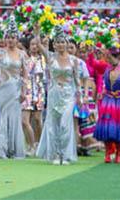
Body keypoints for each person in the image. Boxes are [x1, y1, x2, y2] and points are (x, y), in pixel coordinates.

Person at [36, 33, 79, 165]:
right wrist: (37, 31)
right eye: (58, 42)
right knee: (53, 125)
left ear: (67, 44)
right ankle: (55, 154)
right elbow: (38, 45)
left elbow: (76, 80)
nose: (61, 44)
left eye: (63, 42)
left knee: (65, 124)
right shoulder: (51, 57)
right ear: (54, 44)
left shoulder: (73, 60)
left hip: (68, 95)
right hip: (54, 93)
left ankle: (65, 155)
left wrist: (81, 96)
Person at [0, 21, 26, 160]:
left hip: (16, 89)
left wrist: (24, 91)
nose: (11, 40)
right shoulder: (1, 52)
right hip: (3, 89)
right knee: (3, 118)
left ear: (17, 39)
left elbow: (25, 74)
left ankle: (14, 150)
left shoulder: (21, 54)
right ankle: (3, 149)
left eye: (13, 37)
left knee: (14, 118)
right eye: (8, 37)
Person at [22, 36, 46, 154]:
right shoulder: (25, 58)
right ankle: (30, 144)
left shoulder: (43, 59)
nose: (34, 47)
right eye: (32, 44)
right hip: (27, 90)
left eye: (36, 44)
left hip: (39, 90)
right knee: (25, 120)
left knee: (37, 119)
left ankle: (39, 144)